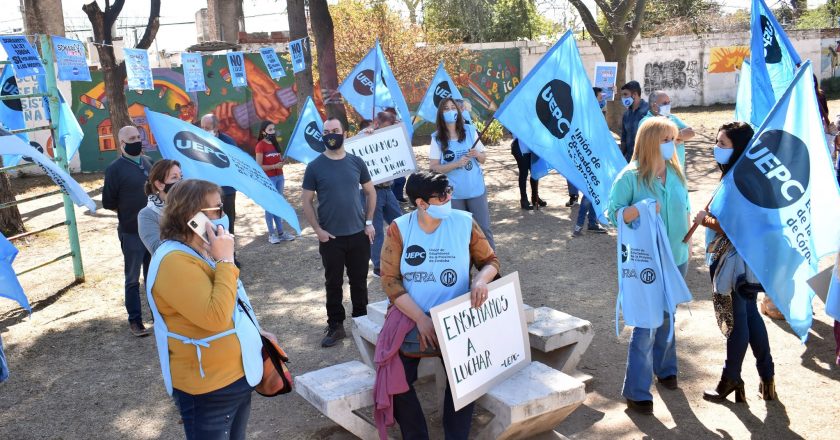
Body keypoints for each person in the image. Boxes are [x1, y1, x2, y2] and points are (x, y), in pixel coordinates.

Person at [146, 179, 271, 439]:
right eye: (216, 209)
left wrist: (256, 333)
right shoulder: (174, 261)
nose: (223, 215)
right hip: (209, 389)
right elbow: (214, 317)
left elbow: (232, 300)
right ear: (193, 217)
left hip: (236, 377)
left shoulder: (201, 250)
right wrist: (226, 260)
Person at [378, 171, 499, 439]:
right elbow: (390, 281)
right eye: (442, 196)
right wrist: (421, 319)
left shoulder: (465, 222)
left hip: (457, 319)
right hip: (410, 317)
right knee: (396, 381)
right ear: (421, 203)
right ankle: (417, 435)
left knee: (466, 382)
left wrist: (480, 280)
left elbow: (490, 261)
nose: (448, 198)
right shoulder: (398, 228)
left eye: (449, 192)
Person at [607, 117, 690, 414]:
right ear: (652, 141)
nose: (673, 145)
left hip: (677, 259)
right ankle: (637, 389)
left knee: (668, 317)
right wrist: (639, 210)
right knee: (645, 325)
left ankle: (666, 368)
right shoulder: (630, 177)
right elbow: (612, 213)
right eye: (668, 139)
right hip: (646, 266)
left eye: (675, 139)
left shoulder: (676, 173)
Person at [696, 121, 776, 403]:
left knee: (737, 321)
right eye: (716, 142)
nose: (715, 148)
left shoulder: (741, 179)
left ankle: (730, 379)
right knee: (750, 317)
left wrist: (703, 219)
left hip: (737, 263)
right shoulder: (743, 174)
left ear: (738, 147)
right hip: (745, 261)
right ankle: (767, 378)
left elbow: (734, 226)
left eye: (722, 144)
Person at [302, 117, 377, 348]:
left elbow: (370, 192)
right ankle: (335, 325)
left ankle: (361, 322)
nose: (330, 135)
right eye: (326, 131)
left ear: (344, 133)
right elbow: (306, 201)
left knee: (359, 281)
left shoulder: (356, 162)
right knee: (333, 283)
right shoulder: (314, 166)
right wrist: (318, 230)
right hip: (331, 238)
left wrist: (369, 222)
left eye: (335, 130)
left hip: (358, 235)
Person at [102, 125, 155, 337]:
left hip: (153, 233)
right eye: (131, 138)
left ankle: (158, 317)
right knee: (132, 278)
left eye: (138, 137)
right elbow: (108, 202)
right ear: (121, 143)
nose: (136, 141)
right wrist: (127, 211)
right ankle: (135, 321)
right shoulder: (114, 169)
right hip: (131, 232)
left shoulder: (148, 162)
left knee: (154, 277)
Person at [429, 97, 495, 250]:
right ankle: (464, 268)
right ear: (440, 113)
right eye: (446, 108)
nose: (450, 111)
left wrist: (477, 155)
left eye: (453, 107)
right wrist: (455, 164)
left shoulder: (470, 131)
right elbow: (433, 167)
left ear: (458, 112)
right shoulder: (437, 138)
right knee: (460, 232)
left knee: (483, 229)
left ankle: (492, 266)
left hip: (476, 189)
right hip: (453, 194)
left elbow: (484, 158)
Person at [366, 111, 403, 278]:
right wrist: (369, 132)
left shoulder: (392, 131)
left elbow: (401, 127)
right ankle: (379, 266)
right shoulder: (365, 135)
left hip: (388, 189)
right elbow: (355, 144)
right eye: (385, 127)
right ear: (376, 123)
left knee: (400, 223)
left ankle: (402, 259)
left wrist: (395, 125)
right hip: (371, 192)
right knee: (377, 230)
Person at [201, 114, 241, 267]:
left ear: (216, 128)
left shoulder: (228, 142)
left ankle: (231, 256)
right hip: (207, 192)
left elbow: (234, 165)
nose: (203, 131)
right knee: (209, 223)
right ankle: (212, 257)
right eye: (202, 127)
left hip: (226, 191)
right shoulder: (197, 141)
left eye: (207, 128)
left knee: (227, 223)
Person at [572, 87, 611, 236]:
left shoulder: (591, 111)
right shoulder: (587, 114)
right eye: (600, 95)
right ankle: (579, 225)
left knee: (596, 191)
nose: (602, 97)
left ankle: (592, 223)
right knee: (591, 192)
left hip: (597, 156)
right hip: (591, 157)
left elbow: (600, 106)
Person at [255, 120, 295, 244]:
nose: (273, 132)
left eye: (274, 129)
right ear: (263, 131)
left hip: (279, 178)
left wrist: (282, 162)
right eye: (270, 130)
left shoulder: (275, 143)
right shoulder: (260, 145)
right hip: (269, 179)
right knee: (270, 206)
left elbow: (278, 160)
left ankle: (281, 233)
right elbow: (258, 166)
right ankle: (272, 234)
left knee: (278, 205)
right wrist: (274, 166)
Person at [640, 90, 695, 170]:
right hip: (658, 172)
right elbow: (655, 142)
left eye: (669, 102)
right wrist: (679, 137)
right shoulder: (646, 122)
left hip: (678, 169)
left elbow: (691, 133)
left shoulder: (672, 117)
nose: (668, 106)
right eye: (665, 103)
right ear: (654, 106)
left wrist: (670, 137)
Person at [138, 159, 182, 253]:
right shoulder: (147, 215)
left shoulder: (191, 205)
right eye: (174, 178)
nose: (181, 181)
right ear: (159, 184)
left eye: (181, 177)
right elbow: (157, 249)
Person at [620, 80, 650, 162]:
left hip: (646, 159)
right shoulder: (626, 115)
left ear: (635, 94)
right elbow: (624, 138)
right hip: (629, 160)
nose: (623, 98)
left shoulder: (649, 111)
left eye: (625, 94)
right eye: (622, 95)